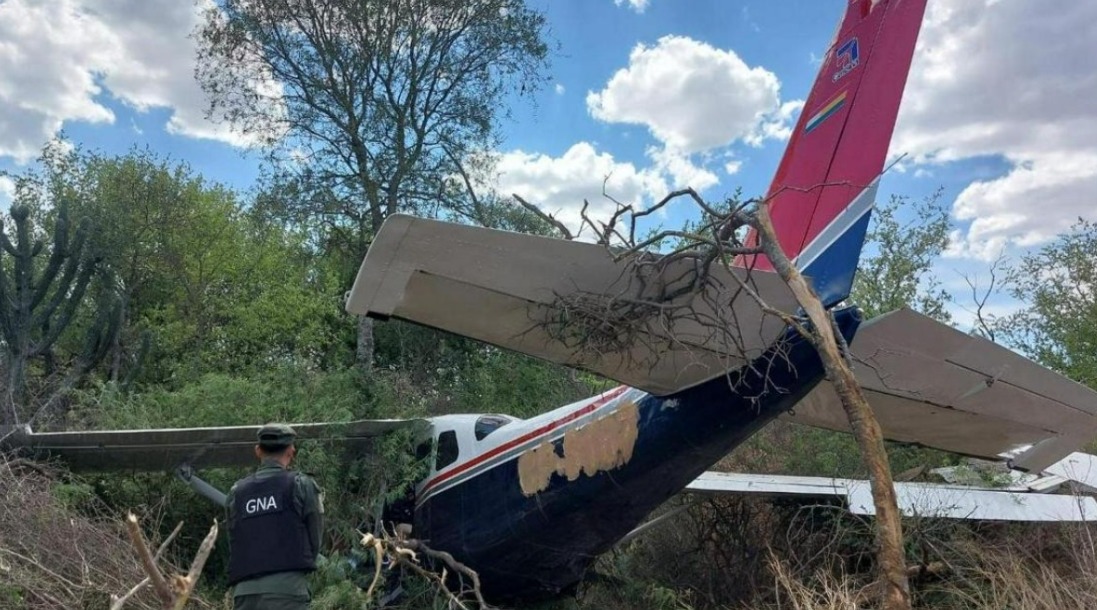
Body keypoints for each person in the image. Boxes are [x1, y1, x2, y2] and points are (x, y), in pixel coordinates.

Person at [225, 423, 324, 610]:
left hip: (245, 593)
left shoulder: (236, 492)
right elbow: (315, 540)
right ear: (291, 451)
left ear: (257, 451)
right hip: (288, 591)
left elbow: (234, 541)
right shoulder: (301, 485)